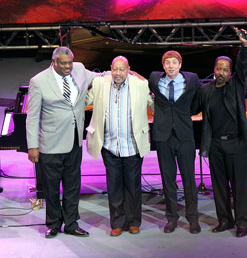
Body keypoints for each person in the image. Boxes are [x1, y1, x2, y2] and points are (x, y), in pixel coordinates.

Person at [26, 46, 100, 238]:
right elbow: (32, 117)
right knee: (51, 188)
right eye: (64, 64)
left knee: (73, 186)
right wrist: (32, 146)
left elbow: (101, 76)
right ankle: (53, 223)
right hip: (50, 144)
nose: (69, 67)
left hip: (74, 141)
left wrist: (126, 72)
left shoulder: (79, 69)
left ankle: (71, 223)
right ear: (54, 62)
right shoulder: (39, 81)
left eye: (70, 63)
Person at [86, 55, 153, 237]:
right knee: (114, 186)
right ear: (110, 69)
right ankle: (117, 222)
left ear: (128, 69)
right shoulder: (100, 84)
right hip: (109, 145)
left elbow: (154, 105)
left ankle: (133, 222)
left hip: (133, 145)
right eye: (115, 69)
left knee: (133, 186)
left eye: (122, 69)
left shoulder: (140, 84)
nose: (118, 73)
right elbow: (84, 102)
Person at [193, 28, 247, 238]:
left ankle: (242, 224)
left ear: (230, 72)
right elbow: (192, 108)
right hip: (215, 145)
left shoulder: (236, 86)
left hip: (236, 144)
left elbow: (243, 68)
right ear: (214, 69)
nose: (221, 72)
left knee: (239, 187)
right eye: (219, 69)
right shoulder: (206, 91)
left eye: (226, 70)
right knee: (218, 186)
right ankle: (224, 220)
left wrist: (245, 47)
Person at [148, 50, 201, 234]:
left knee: (189, 179)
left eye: (174, 62)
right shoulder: (155, 79)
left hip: (185, 136)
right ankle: (171, 218)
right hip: (163, 137)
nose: (171, 66)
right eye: (167, 63)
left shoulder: (192, 80)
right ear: (163, 65)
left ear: (180, 65)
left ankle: (193, 218)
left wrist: (185, 115)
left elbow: (197, 102)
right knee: (168, 180)